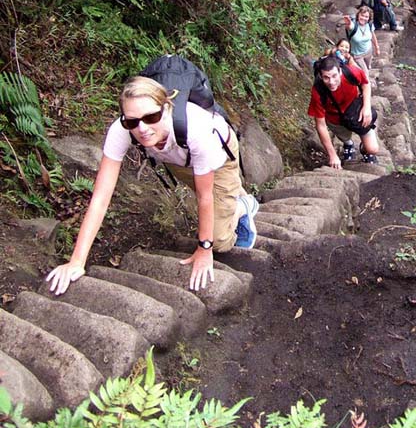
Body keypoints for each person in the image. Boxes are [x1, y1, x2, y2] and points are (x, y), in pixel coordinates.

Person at [46, 76, 258, 296]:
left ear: (166, 108)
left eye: (151, 117)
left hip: (218, 155)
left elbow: (204, 197)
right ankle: (231, 197)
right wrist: (77, 262)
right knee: (213, 200)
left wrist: (204, 249)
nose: (142, 128)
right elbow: (100, 197)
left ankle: (244, 205)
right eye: (132, 121)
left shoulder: (197, 131)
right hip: (178, 158)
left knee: (219, 241)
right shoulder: (122, 130)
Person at [308, 55, 379, 167]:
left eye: (334, 76)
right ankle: (348, 144)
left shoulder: (352, 72)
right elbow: (320, 125)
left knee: (373, 149)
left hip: (356, 112)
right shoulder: (318, 91)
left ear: (340, 71)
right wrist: (332, 155)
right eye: (326, 77)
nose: (331, 82)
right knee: (345, 138)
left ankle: (364, 149)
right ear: (321, 76)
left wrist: (366, 107)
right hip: (336, 120)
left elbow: (365, 83)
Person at [343, 5, 380, 72]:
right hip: (357, 55)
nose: (364, 18)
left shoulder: (369, 24)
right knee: (364, 73)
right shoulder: (354, 25)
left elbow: (373, 35)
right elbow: (350, 26)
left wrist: (377, 47)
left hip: (368, 51)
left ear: (369, 18)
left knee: (367, 68)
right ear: (358, 15)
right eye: (362, 15)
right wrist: (348, 23)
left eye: (366, 17)